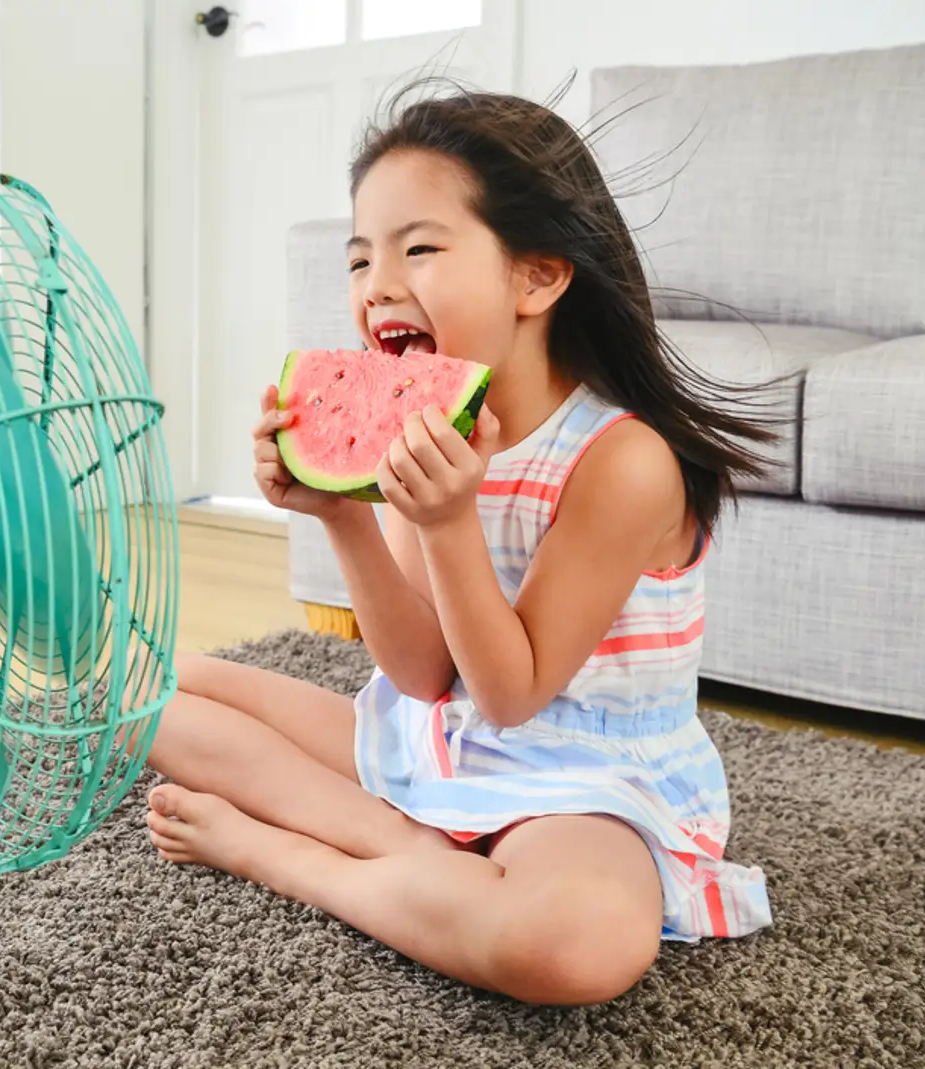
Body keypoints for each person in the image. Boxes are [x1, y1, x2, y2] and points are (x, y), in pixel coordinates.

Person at [141, 83, 775, 1007]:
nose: (377, 287)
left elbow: (512, 694)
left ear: (538, 276)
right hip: (442, 733)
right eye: (360, 260)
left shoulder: (624, 462)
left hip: (582, 779)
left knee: (573, 945)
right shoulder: (424, 417)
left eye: (420, 249)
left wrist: (445, 521)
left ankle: (303, 853)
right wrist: (345, 513)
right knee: (146, 694)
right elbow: (422, 675)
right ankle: (418, 852)